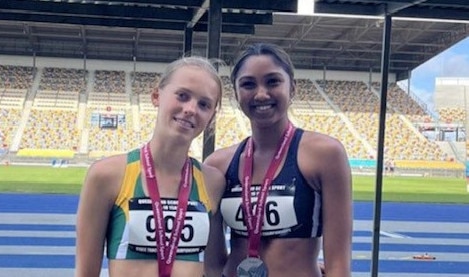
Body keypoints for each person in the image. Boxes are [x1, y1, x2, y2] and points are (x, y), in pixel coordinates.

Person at [204, 43, 352, 277]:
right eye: (248, 84)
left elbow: (338, 266)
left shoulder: (324, 155)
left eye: (273, 81)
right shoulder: (216, 165)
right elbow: (212, 264)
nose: (261, 94)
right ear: (236, 93)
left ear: (292, 88)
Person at [75, 56, 227, 277]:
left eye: (204, 104)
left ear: (212, 114)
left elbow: (214, 268)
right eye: (182, 96)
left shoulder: (213, 182)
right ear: (157, 96)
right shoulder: (107, 176)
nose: (191, 109)